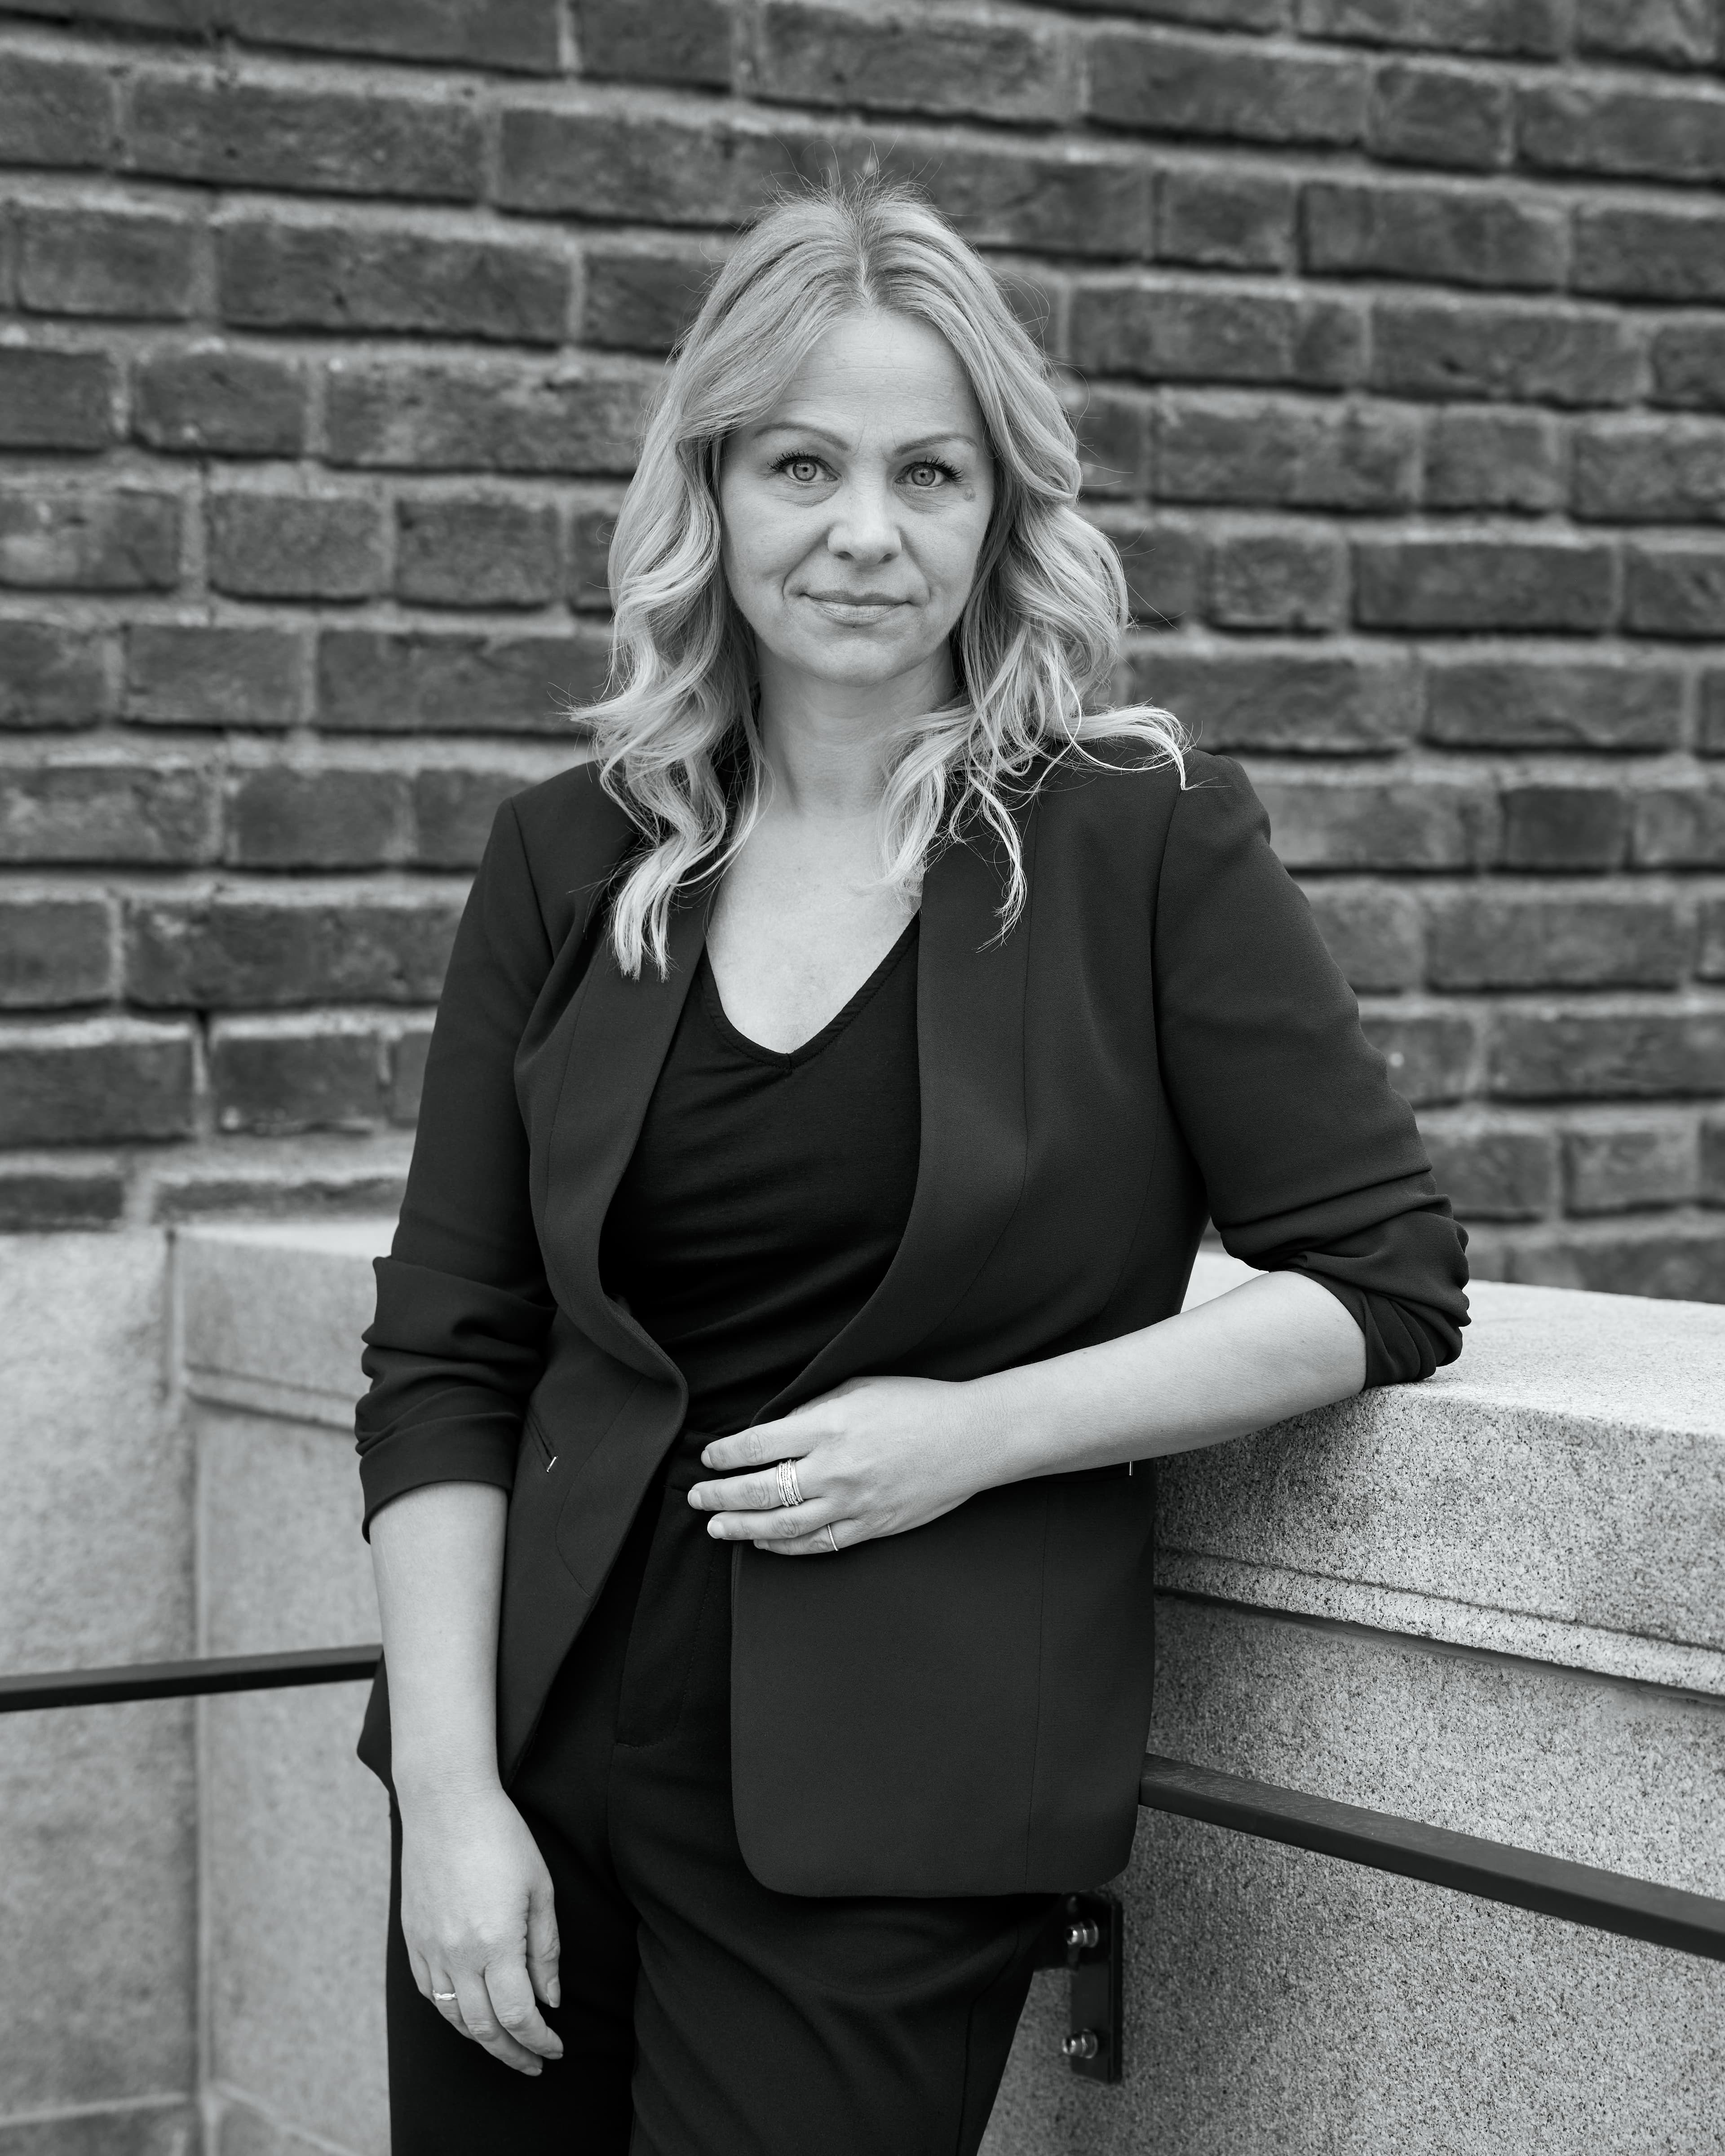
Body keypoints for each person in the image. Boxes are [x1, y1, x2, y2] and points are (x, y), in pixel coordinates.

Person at [354, 178, 1468, 2155]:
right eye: (804, 465)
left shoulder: (1137, 836)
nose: (866, 532)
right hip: (527, 1765)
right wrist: (448, 1800)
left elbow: (1378, 1278)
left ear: (997, 511)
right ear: (712, 493)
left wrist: (969, 1435)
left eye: (928, 474)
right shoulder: (572, 854)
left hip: (891, 1802)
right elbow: (449, 1350)